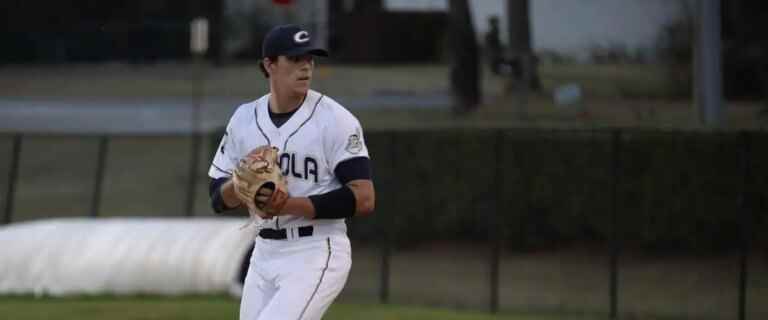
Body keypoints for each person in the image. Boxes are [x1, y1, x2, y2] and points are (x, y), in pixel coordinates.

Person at [207, 24, 375, 320]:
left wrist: (288, 205)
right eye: (295, 59)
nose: (306, 67)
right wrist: (241, 181)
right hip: (263, 252)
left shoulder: (335, 120)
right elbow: (217, 198)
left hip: (315, 250)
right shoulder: (245, 119)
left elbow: (363, 198)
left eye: (309, 59)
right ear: (269, 65)